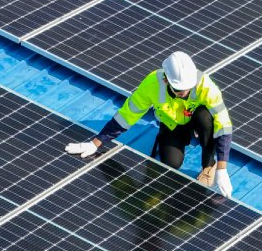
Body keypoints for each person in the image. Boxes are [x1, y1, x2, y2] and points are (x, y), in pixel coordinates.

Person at [66, 52, 233, 197]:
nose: (184, 93)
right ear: (166, 80)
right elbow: (127, 116)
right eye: (179, 89)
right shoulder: (152, 85)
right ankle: (170, 140)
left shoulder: (206, 86)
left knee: (206, 118)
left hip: (198, 121)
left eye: (187, 88)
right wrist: (95, 143)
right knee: (172, 164)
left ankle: (208, 166)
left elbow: (223, 124)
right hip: (172, 125)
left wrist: (223, 168)